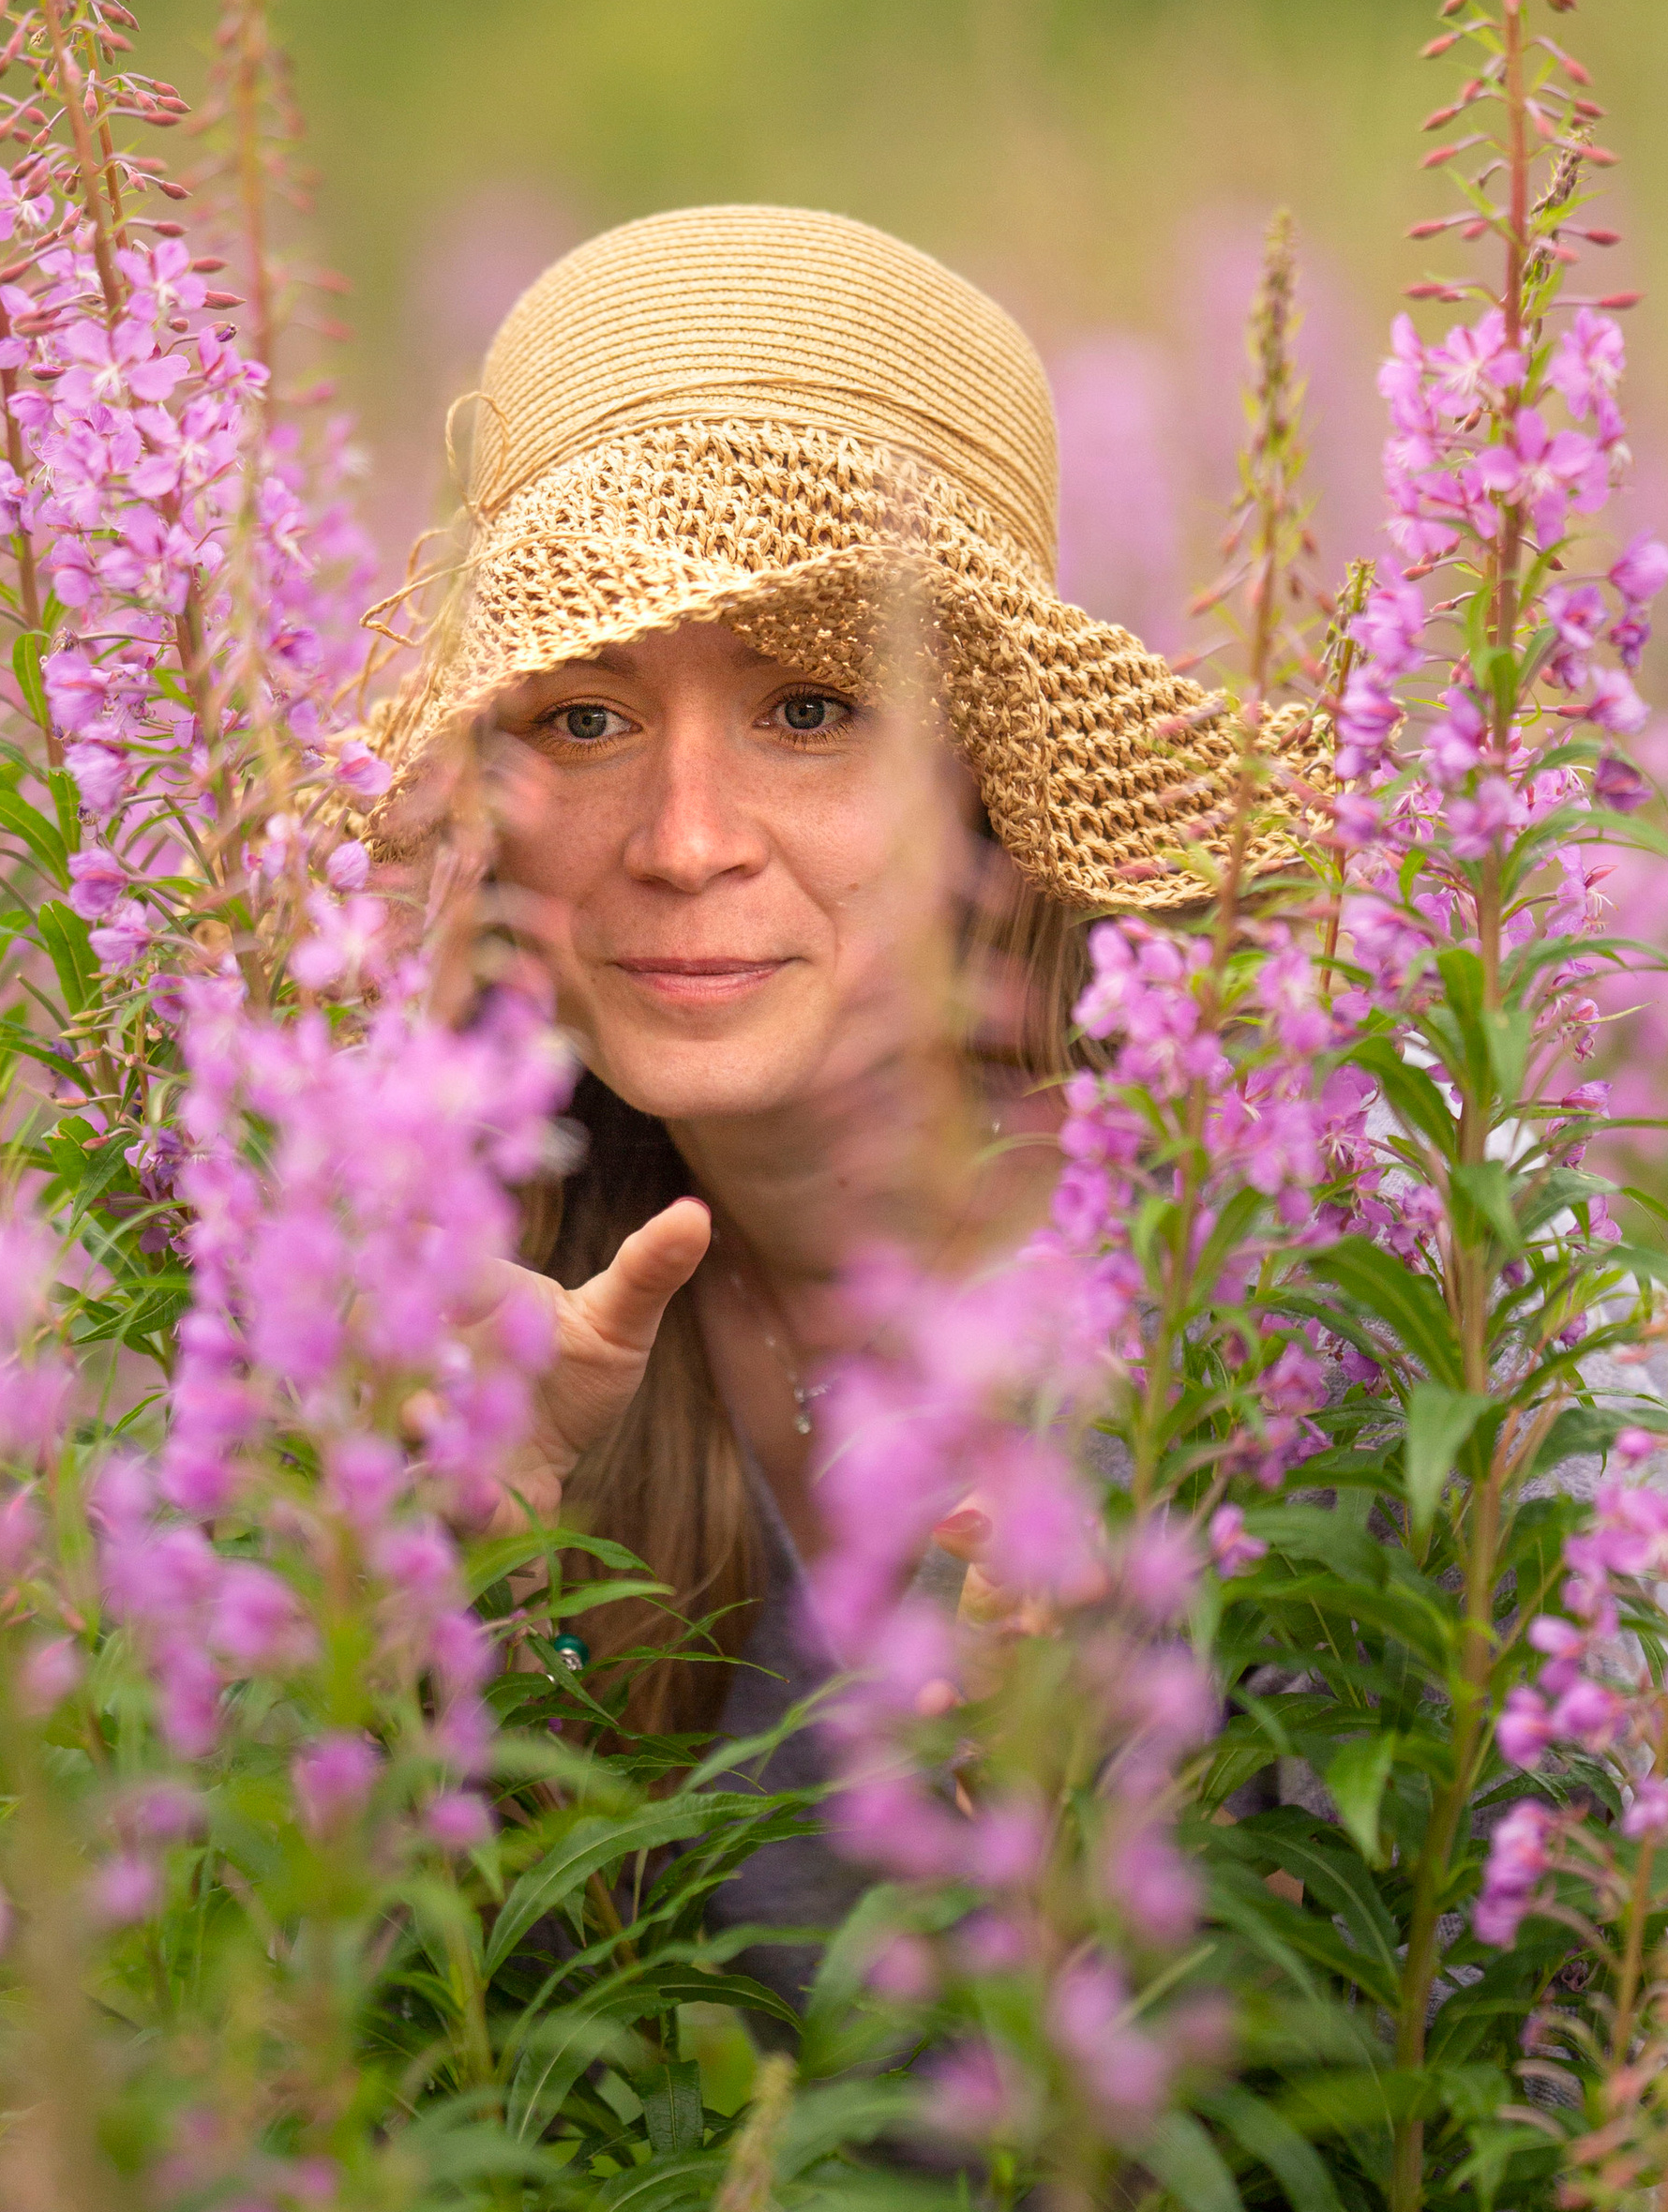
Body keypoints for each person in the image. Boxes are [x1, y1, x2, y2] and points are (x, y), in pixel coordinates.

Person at [368, 202, 1289, 2002]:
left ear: (983, 789)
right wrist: (435, 1605)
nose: (687, 841)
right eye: (581, 721)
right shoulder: (465, 1294)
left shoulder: (1331, 1249)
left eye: (808, 707)